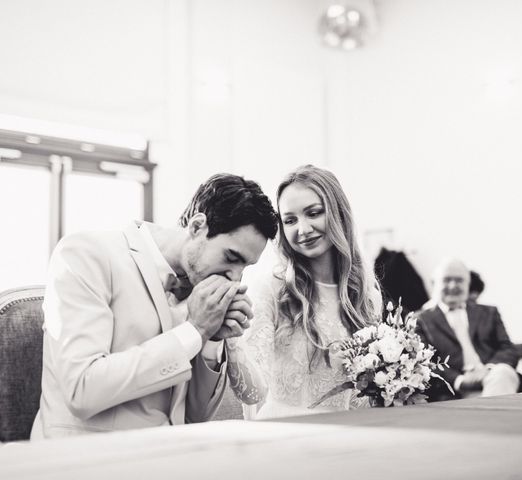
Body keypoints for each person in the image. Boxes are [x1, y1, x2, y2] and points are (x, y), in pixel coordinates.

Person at [31, 174, 278, 438]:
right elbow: (81, 390)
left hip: (168, 456)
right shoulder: (85, 254)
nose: (235, 277)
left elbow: (195, 418)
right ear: (197, 227)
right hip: (84, 457)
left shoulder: (200, 291)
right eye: (231, 257)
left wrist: (211, 339)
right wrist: (194, 330)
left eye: (245, 267)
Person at [224, 164, 382, 419]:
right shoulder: (272, 289)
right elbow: (252, 392)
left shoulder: (367, 295)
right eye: (290, 220)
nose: (303, 229)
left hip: (352, 433)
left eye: (314, 213)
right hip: (285, 431)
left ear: (338, 213)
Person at [415, 258, 519, 400]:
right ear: (434, 284)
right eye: (447, 280)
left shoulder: (489, 313)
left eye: (459, 280)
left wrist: (488, 369)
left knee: (503, 372)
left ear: (468, 284)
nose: (453, 285)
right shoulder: (420, 320)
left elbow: (508, 349)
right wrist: (461, 381)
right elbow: (425, 362)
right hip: (455, 390)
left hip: (493, 377)